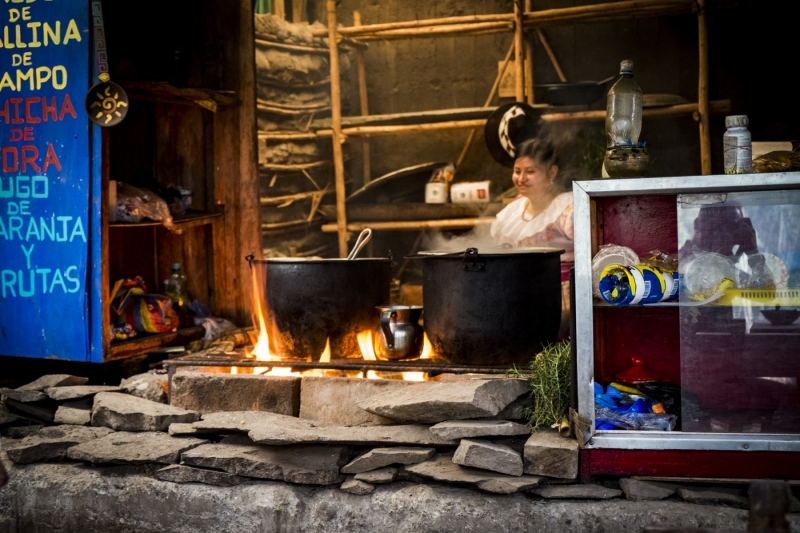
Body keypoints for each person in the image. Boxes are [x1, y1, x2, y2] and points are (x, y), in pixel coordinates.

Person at [491, 138, 574, 339]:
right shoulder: (511, 213)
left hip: (565, 299)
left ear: (552, 172)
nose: (521, 178)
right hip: (521, 297)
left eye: (530, 171)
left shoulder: (568, 208)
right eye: (517, 171)